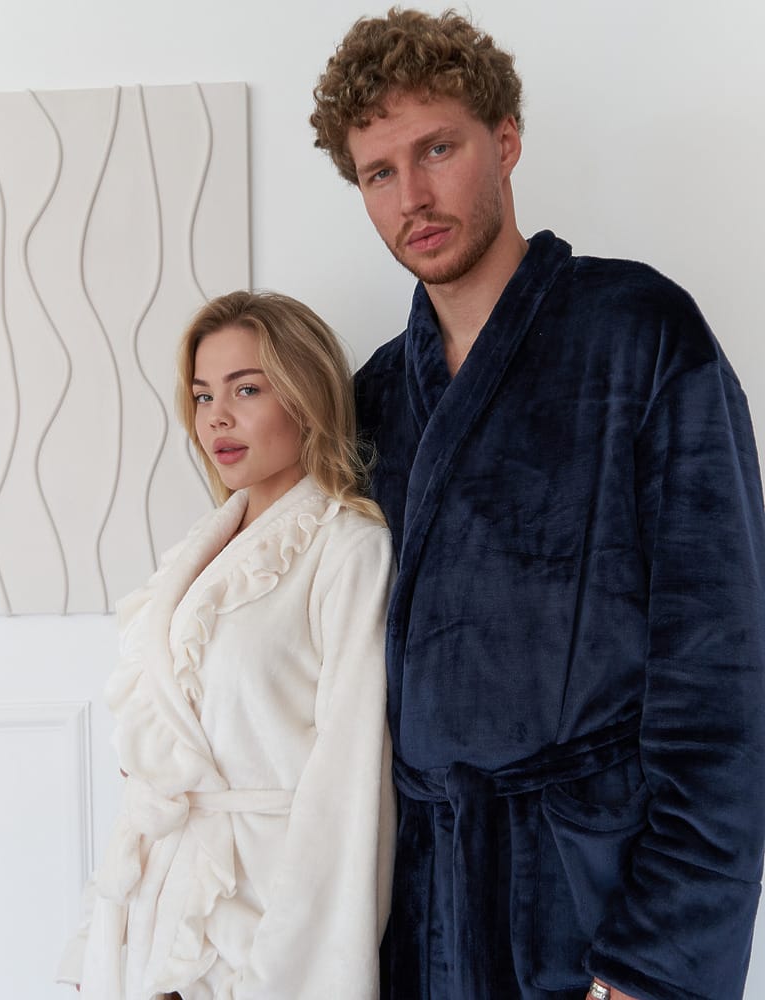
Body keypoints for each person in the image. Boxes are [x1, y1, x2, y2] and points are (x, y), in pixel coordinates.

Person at [310, 8, 765, 1000]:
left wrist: (653, 963)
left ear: (505, 140)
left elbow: (720, 675)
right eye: (378, 172)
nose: (412, 197)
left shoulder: (640, 335)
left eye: (437, 149)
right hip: (419, 913)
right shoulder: (372, 398)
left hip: (594, 906)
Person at [56, 291, 396, 999]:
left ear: (305, 395)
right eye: (203, 394)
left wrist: (292, 969)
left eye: (246, 389)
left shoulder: (349, 548)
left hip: (263, 910)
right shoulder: (197, 553)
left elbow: (350, 780)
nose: (216, 417)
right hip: (159, 903)